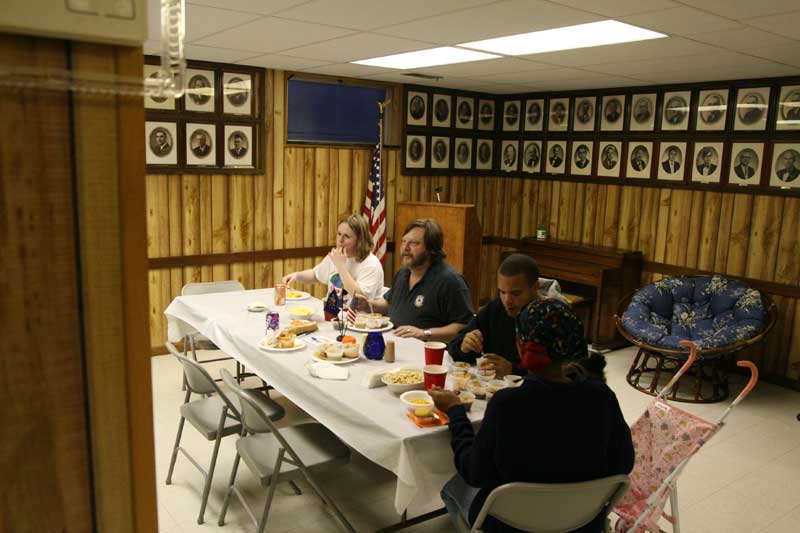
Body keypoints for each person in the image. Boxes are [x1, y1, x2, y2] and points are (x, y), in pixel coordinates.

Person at [430, 299, 635, 533]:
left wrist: (456, 412)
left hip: (511, 526)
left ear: (520, 345)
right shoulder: (602, 396)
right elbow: (624, 463)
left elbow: (473, 472)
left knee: (453, 487)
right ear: (575, 344)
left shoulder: (508, 404)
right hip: (582, 523)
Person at [447, 254, 565, 378]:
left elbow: (560, 373)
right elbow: (455, 346)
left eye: (516, 293)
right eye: (502, 292)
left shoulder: (551, 318)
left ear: (535, 287)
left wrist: (513, 370)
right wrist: (464, 346)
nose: (507, 300)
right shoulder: (495, 308)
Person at [362, 219, 472, 342]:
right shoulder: (403, 274)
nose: (405, 248)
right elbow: (390, 305)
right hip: (395, 346)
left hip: (430, 354)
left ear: (431, 248)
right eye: (404, 241)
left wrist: (424, 333)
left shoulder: (450, 281)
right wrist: (368, 305)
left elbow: (464, 327)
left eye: (414, 243)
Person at [282, 214, 384, 313]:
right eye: (339, 234)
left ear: (360, 240)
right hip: (332, 316)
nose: (340, 240)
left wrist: (341, 266)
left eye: (347, 236)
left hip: (358, 323)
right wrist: (297, 275)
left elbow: (359, 297)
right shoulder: (336, 255)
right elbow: (315, 275)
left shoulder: (371, 263)